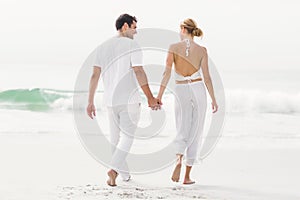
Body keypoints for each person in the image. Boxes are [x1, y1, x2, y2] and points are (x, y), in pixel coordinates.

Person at [86, 14, 160, 187]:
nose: (136, 31)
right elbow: (139, 71)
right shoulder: (132, 45)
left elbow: (94, 75)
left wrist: (90, 101)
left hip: (110, 101)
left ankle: (124, 175)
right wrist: (150, 97)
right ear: (125, 26)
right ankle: (113, 170)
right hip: (129, 100)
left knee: (115, 139)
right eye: (134, 27)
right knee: (127, 138)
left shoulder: (102, 47)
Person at [157, 18, 218, 184]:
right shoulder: (202, 50)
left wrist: (159, 96)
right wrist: (213, 99)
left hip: (181, 88)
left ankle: (178, 159)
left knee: (181, 126)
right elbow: (207, 77)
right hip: (198, 89)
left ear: (183, 29)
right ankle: (187, 176)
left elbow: (166, 73)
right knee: (196, 130)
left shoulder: (173, 48)